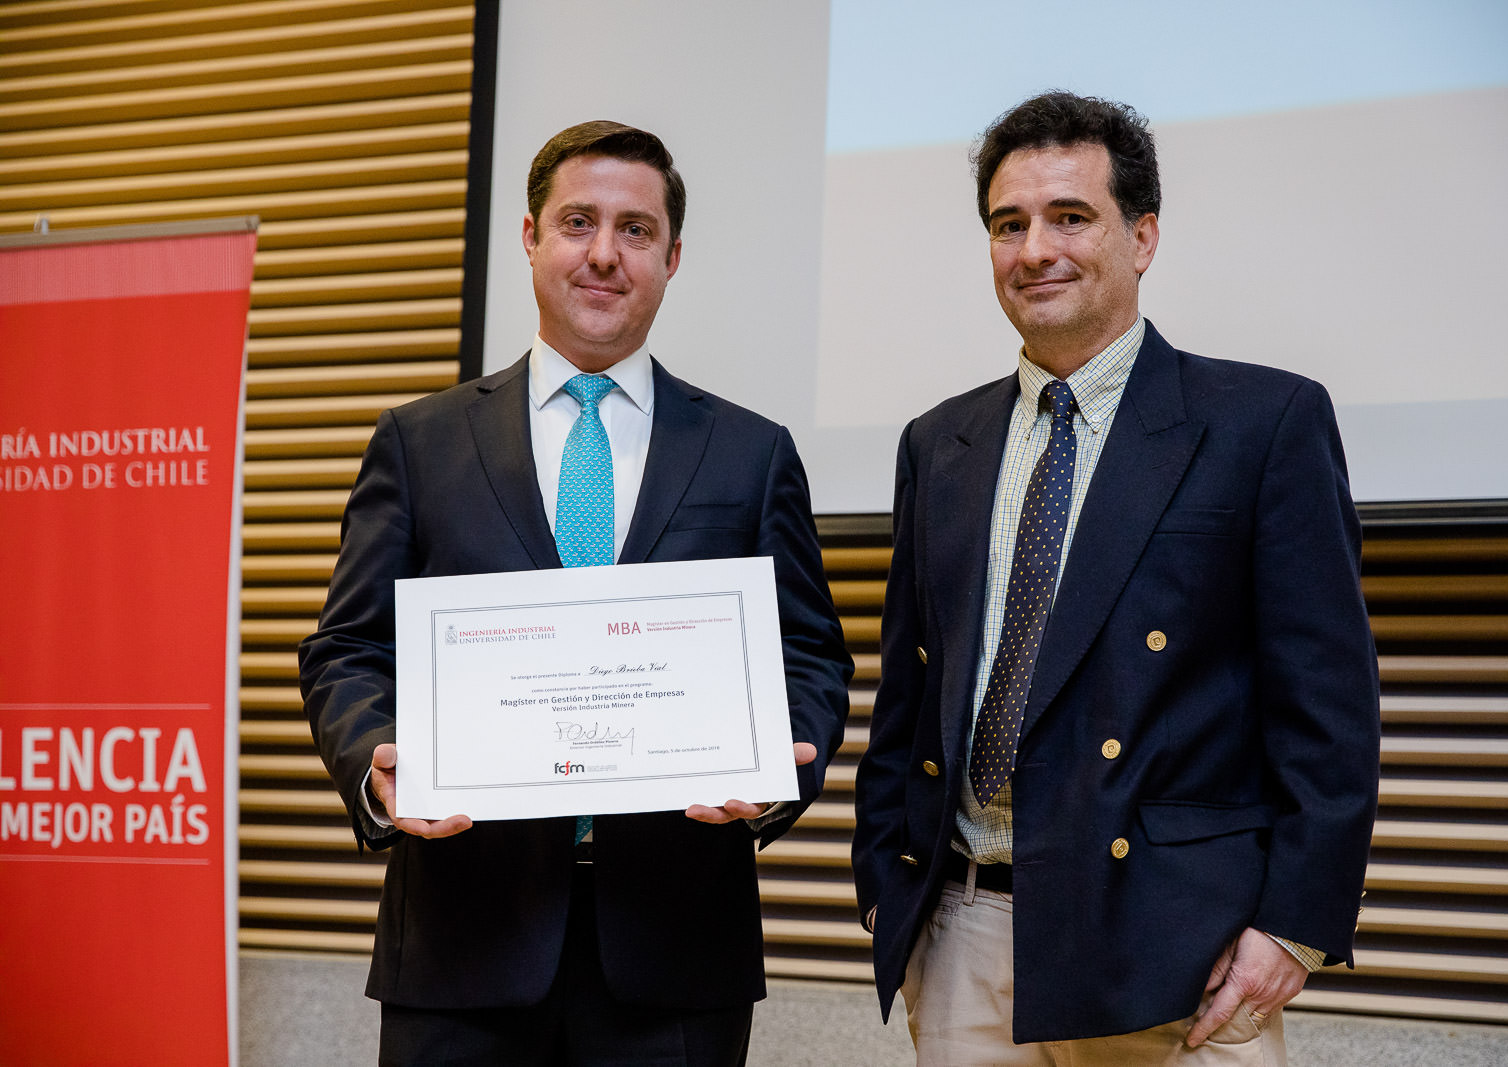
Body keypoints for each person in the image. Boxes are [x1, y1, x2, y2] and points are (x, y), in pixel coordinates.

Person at [300, 120, 853, 1066]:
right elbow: (347, 648)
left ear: (673, 257)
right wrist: (374, 757)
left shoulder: (752, 452)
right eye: (578, 222)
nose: (604, 254)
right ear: (530, 238)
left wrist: (773, 772)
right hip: (462, 947)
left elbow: (808, 654)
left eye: (636, 231)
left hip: (677, 954)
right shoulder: (419, 443)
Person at [851, 91, 1380, 1064]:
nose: (1034, 249)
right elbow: (910, 692)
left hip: (1179, 950)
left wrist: (1293, 925)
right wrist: (885, 880)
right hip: (964, 928)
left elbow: (1329, 707)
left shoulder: (1261, 423)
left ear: (1141, 237)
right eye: (1008, 224)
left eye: (1070, 216)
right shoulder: (940, 442)